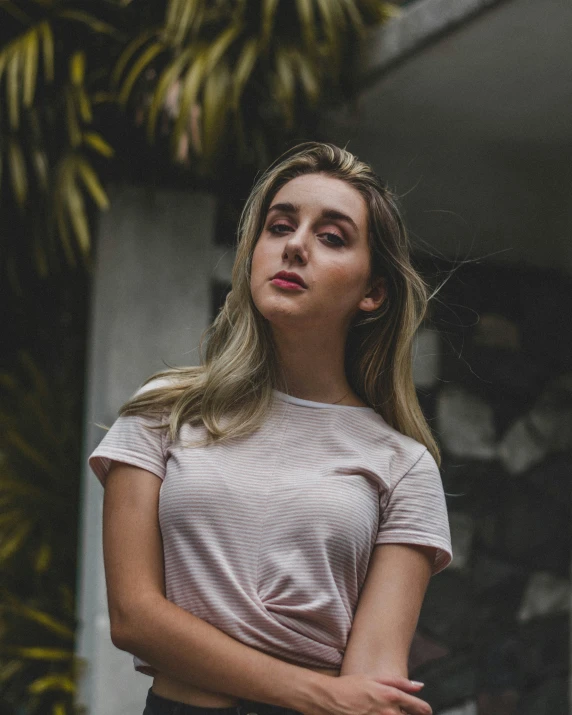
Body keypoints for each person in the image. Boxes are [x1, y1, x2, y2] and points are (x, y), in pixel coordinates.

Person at [88, 141, 452, 715]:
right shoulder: (163, 412)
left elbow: (374, 688)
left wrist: (338, 699)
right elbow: (134, 618)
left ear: (373, 292)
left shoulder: (403, 465)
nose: (296, 246)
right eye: (279, 227)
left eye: (331, 237)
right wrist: (320, 693)